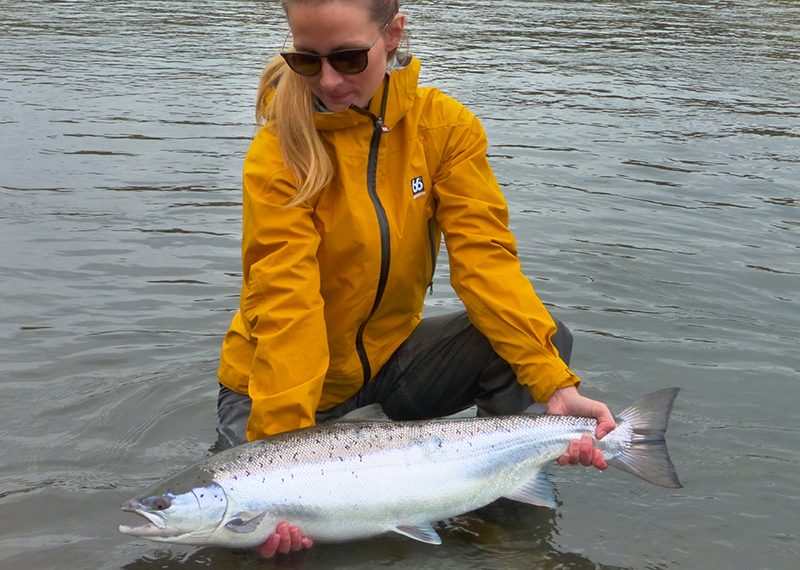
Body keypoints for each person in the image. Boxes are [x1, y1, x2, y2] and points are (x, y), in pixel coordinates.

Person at [216, 0, 616, 559]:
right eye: (307, 60)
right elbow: (288, 305)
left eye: (349, 59)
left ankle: (497, 509)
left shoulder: (444, 129)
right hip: (274, 387)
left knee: (537, 342)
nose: (328, 81)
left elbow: (486, 264)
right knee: (247, 538)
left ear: (393, 34)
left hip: (386, 366)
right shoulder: (278, 151)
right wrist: (281, 464)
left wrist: (555, 385)